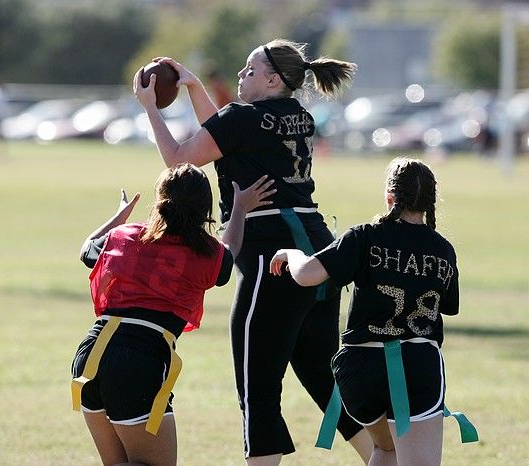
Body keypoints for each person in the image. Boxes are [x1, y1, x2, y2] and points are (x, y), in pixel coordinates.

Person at [133, 39, 371, 465]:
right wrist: (191, 87)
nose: (242, 75)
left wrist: (150, 107)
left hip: (271, 256)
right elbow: (225, 137)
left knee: (257, 387)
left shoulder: (242, 119)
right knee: (321, 377)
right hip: (317, 251)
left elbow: (180, 159)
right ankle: (383, 457)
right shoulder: (299, 115)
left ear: (273, 79)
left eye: (250, 69)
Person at [71, 163, 276, 466]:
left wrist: (119, 217)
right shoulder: (204, 251)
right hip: (138, 360)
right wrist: (240, 209)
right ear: (203, 208)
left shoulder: (124, 234)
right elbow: (229, 252)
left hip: (90, 354)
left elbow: (87, 250)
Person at [270, 157, 460, 466]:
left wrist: (290, 253)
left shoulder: (365, 235)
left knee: (386, 450)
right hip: (416, 367)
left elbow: (306, 275)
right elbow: (448, 307)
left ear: (390, 197)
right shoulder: (442, 249)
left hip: (360, 369)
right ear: (430, 202)